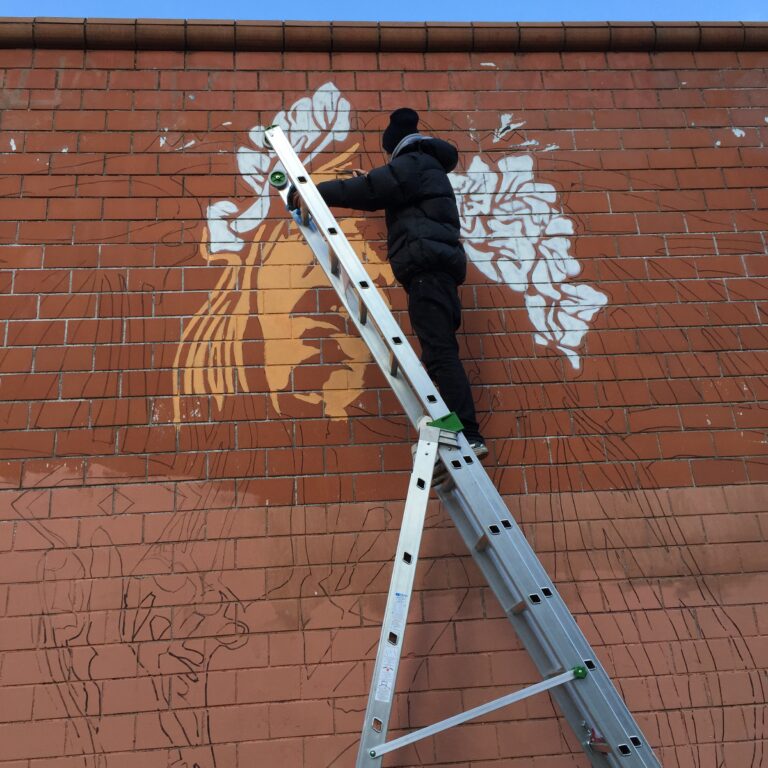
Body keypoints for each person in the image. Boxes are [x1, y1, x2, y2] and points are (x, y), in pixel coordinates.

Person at [288, 107, 486, 458]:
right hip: (436, 270)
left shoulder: (415, 163)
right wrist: (380, 181)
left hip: (427, 271)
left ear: (396, 146)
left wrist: (315, 192)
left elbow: (372, 189)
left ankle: (466, 432)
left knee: (439, 351)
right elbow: (389, 188)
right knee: (439, 349)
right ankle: (463, 428)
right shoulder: (424, 166)